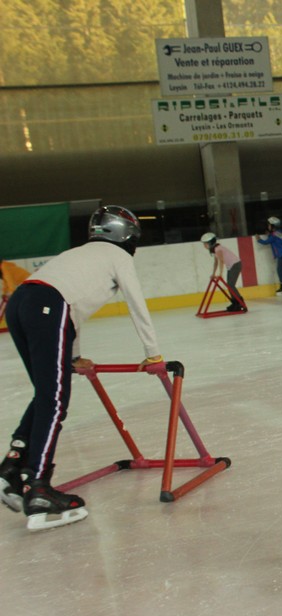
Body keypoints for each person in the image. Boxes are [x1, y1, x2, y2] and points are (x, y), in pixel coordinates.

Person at [0, 206, 163, 531]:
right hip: (47, 306)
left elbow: (70, 309)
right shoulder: (120, 258)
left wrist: (73, 357)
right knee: (55, 399)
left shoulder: (79, 253)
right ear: (128, 235)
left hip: (21, 304)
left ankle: (14, 462)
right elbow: (136, 302)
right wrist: (154, 354)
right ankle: (39, 487)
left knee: (47, 393)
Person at [199, 232, 247, 311]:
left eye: (205, 243)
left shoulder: (218, 249)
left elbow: (221, 261)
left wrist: (220, 273)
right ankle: (235, 302)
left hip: (235, 265)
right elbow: (216, 262)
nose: (204, 245)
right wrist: (213, 274)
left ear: (211, 243)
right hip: (231, 266)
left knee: (230, 285)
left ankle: (239, 302)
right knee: (230, 285)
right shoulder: (214, 249)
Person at [257, 217, 282, 294]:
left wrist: (258, 239)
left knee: (280, 270)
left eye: (269, 225)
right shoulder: (278, 232)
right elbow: (273, 239)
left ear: (273, 226)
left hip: (281, 254)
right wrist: (269, 235)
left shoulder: (274, 235)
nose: (268, 227)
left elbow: (266, 242)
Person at [1, 257, 31, 328]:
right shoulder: (2, 268)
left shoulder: (4, 267)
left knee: (22, 303)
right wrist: (4, 292)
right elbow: (6, 282)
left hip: (28, 282)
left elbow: (10, 281)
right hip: (23, 283)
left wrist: (11, 293)